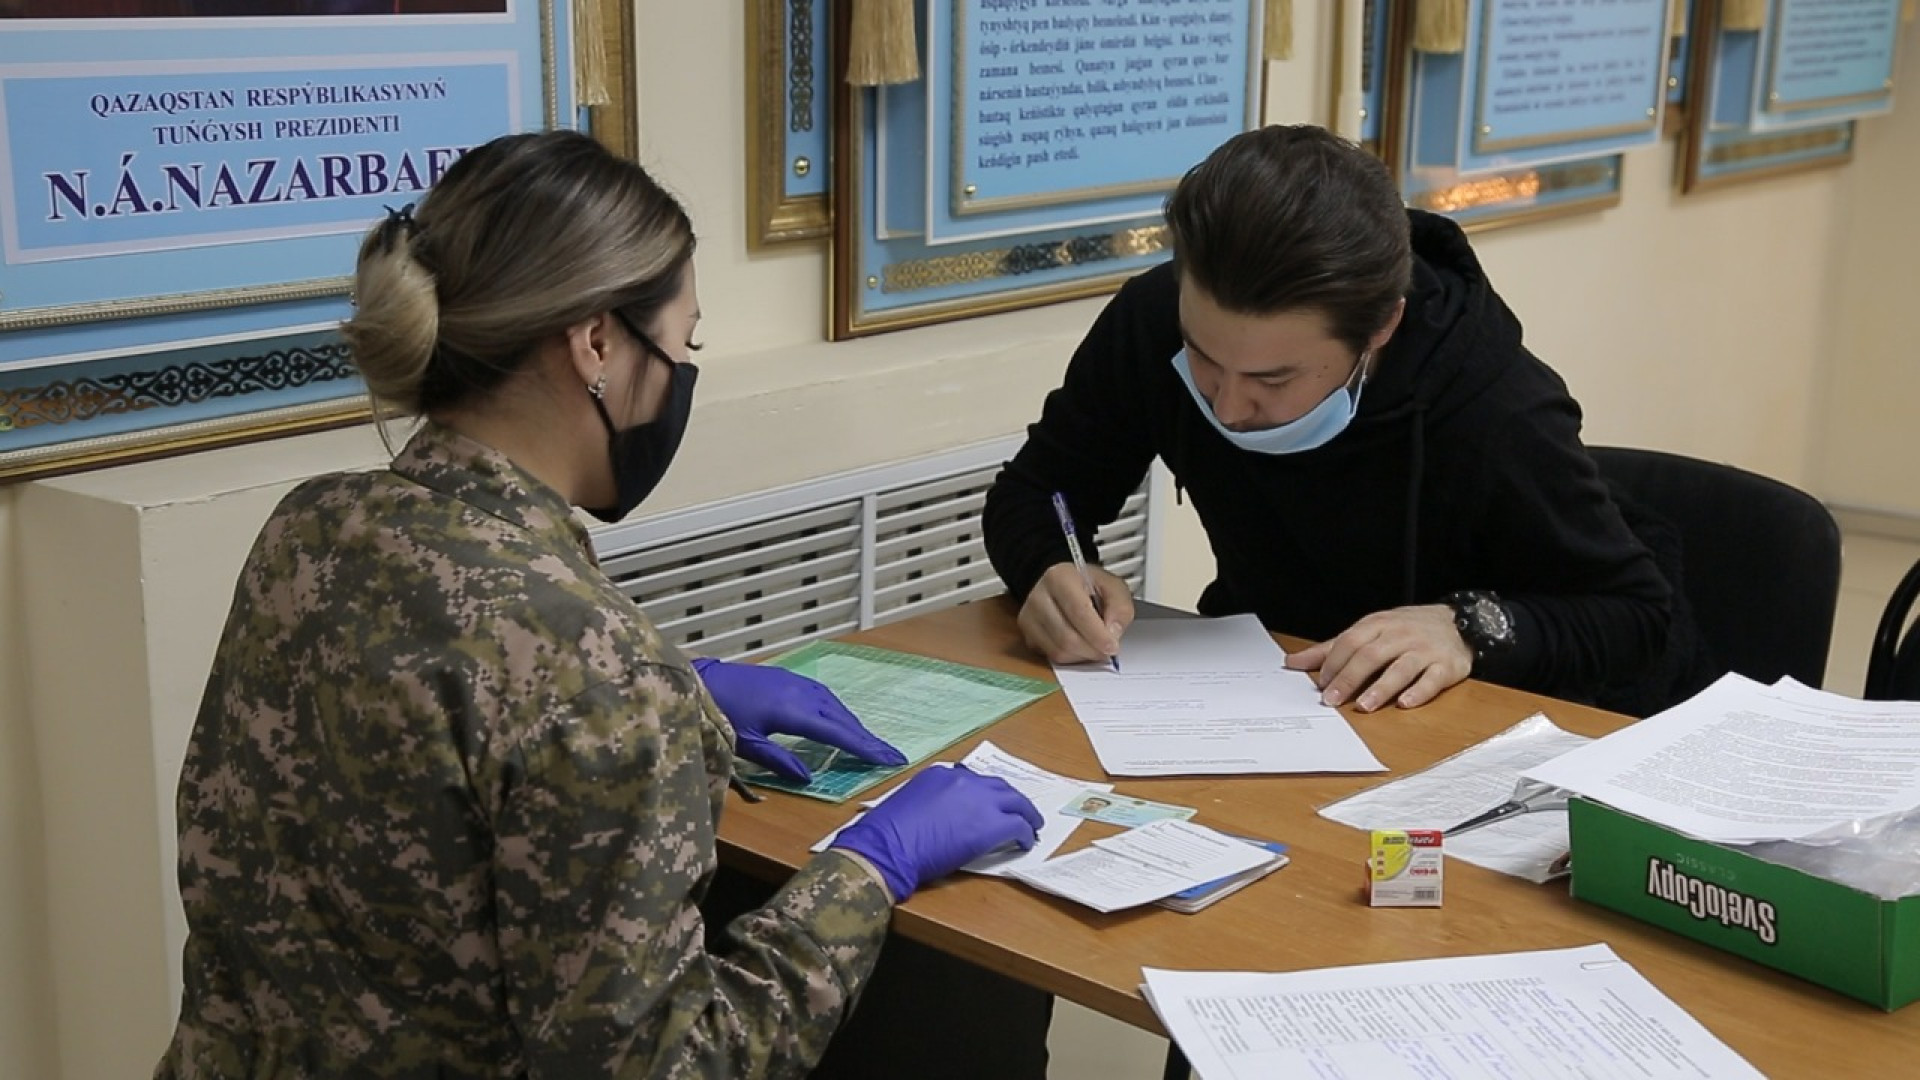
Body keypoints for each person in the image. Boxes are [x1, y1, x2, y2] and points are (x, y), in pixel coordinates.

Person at [157, 129, 1045, 1079]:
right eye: (682, 343)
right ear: (595, 342)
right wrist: (872, 867)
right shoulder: (598, 668)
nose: (683, 374)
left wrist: (688, 699)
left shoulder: (309, 530)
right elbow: (671, 1064)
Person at [984, 124, 1690, 717]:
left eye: (1272, 378)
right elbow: (1037, 492)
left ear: (1381, 328)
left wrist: (1466, 627)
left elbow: (1634, 615)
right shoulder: (1154, 319)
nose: (1226, 406)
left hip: (1470, 732)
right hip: (1259, 694)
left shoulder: (1496, 406)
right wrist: (1045, 565)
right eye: (1203, 358)